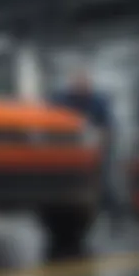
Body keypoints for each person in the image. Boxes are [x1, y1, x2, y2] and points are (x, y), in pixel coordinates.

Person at [50, 69, 120, 222]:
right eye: (77, 82)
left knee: (103, 179)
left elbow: (108, 126)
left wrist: (101, 142)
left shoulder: (98, 100)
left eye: (84, 82)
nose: (81, 85)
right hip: (67, 148)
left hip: (93, 146)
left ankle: (111, 212)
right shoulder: (62, 99)